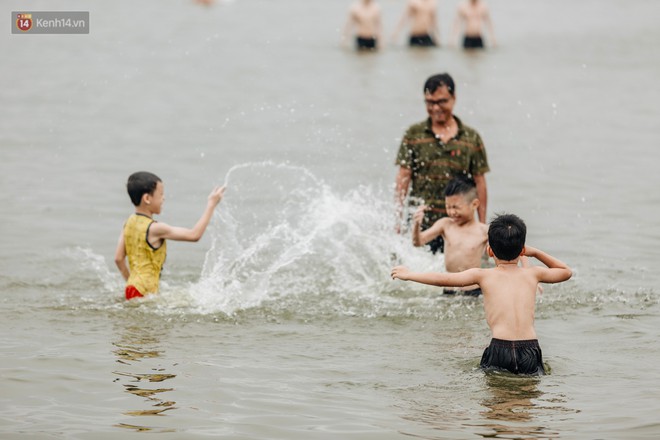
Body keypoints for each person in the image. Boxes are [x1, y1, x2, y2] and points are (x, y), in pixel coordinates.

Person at [391, 213, 572, 375]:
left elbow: (442, 279)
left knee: (495, 407)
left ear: (489, 250)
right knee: (525, 404)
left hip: (500, 347)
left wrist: (409, 275)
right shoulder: (533, 274)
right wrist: (535, 252)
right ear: (522, 250)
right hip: (530, 347)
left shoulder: (483, 275)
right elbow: (565, 271)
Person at [395, 73, 490, 253]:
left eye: (441, 101)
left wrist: (482, 225)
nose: (435, 107)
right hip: (422, 223)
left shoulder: (471, 137)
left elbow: (480, 182)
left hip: (459, 224)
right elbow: (403, 178)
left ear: (453, 98)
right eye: (430, 102)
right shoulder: (413, 134)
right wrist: (398, 222)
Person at [114, 171, 226, 300]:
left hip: (132, 288)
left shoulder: (128, 223)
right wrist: (211, 204)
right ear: (147, 199)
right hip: (144, 291)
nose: (163, 198)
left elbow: (118, 258)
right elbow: (194, 235)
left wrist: (131, 283)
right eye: (160, 194)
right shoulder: (156, 229)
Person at [412, 176, 488, 296]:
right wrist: (417, 224)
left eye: (456, 207)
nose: (452, 212)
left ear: (474, 204)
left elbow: (503, 254)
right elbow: (418, 242)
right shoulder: (445, 225)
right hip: (448, 290)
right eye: (448, 207)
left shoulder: (483, 231)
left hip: (473, 291)